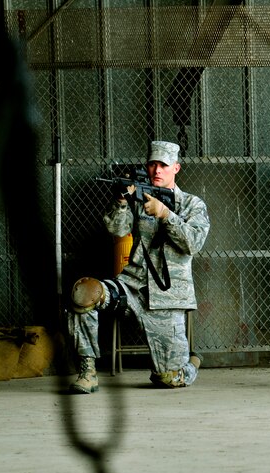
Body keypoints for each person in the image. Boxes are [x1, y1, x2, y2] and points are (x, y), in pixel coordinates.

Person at [67, 140, 210, 393]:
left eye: (163, 165)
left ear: (176, 168)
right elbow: (117, 230)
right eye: (153, 164)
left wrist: (165, 214)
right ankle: (88, 372)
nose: (157, 170)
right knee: (85, 293)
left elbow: (193, 243)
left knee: (168, 379)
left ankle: (192, 363)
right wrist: (121, 201)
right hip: (131, 287)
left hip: (168, 298)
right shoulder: (138, 199)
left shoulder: (192, 204)